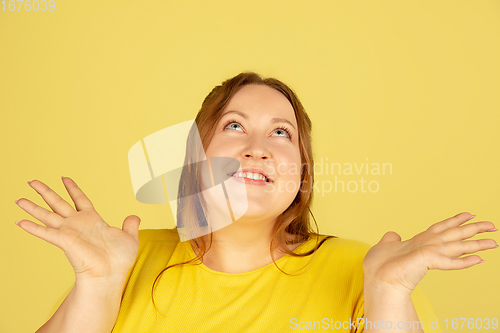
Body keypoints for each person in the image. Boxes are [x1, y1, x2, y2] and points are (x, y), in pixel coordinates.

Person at [16, 72, 497, 333]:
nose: (258, 146)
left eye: (281, 133)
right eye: (234, 126)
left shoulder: (365, 271)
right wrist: (99, 285)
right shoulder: (123, 258)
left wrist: (389, 291)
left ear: (301, 170)